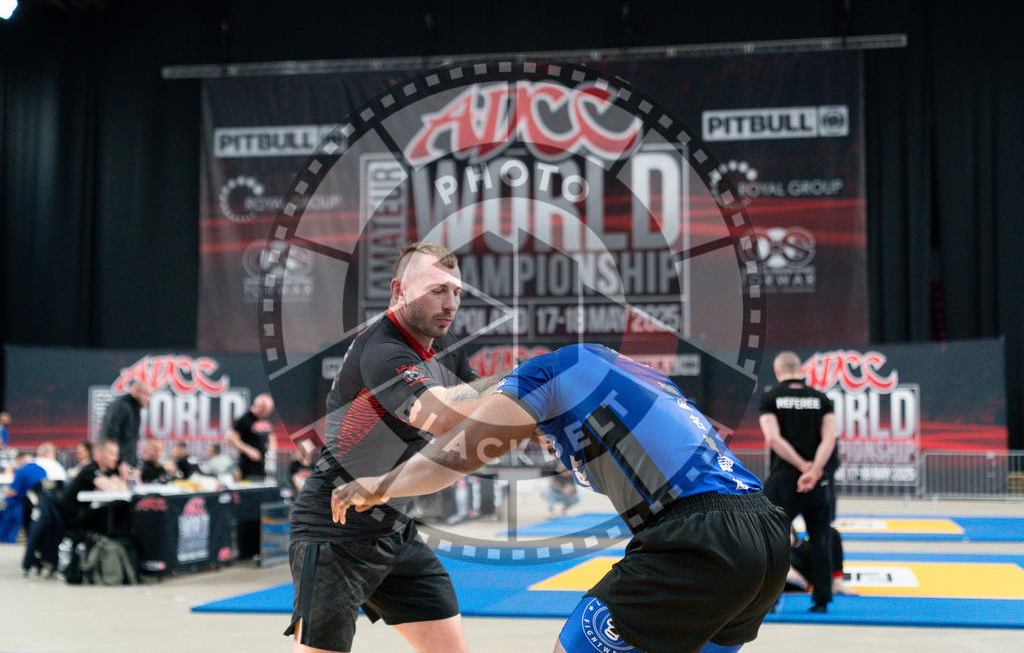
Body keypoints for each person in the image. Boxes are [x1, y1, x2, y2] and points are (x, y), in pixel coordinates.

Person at [333, 343, 791, 653]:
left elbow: (459, 451)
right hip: (765, 535)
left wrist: (382, 484)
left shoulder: (544, 373)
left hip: (698, 540)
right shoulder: (634, 377)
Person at [286, 241, 503, 653]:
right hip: (334, 530)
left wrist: (532, 411)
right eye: (437, 290)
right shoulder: (383, 350)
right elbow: (440, 417)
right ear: (400, 291)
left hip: (394, 529)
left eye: (457, 292)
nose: (451, 303)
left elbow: (481, 409)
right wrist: (528, 382)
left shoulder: (443, 346)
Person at [758, 350, 837, 613]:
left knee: (774, 540)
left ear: (778, 371)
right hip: (817, 482)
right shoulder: (821, 399)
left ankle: (770, 599)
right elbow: (829, 439)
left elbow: (773, 438)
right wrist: (813, 471)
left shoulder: (771, 398)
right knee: (820, 539)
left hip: (783, 480)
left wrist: (802, 468)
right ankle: (822, 600)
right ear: (800, 370)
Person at [58, 439, 131, 536]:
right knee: (116, 510)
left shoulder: (105, 471)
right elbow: (112, 489)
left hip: (81, 513)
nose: (116, 458)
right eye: (112, 454)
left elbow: (124, 487)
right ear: (100, 454)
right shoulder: (90, 469)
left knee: (120, 507)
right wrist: (116, 482)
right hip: (70, 517)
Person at [100, 378, 153, 468]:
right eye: (146, 395)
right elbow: (110, 437)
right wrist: (121, 462)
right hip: (116, 465)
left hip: (125, 464)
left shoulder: (134, 410)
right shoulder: (121, 407)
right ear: (135, 392)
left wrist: (133, 464)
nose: (149, 400)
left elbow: (131, 442)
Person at [227, 394, 277, 480]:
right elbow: (231, 439)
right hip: (248, 467)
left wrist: (271, 453)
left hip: (262, 466)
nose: (265, 414)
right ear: (258, 406)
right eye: (263, 410)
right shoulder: (244, 419)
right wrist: (248, 450)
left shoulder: (264, 420)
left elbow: (271, 437)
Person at [1, 451, 46, 543]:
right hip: (40, 504)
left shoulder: (21, 471)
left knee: (9, 523)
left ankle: (6, 542)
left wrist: (4, 491)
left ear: (20, 459)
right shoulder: (42, 469)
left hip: (20, 504)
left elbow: (13, 492)